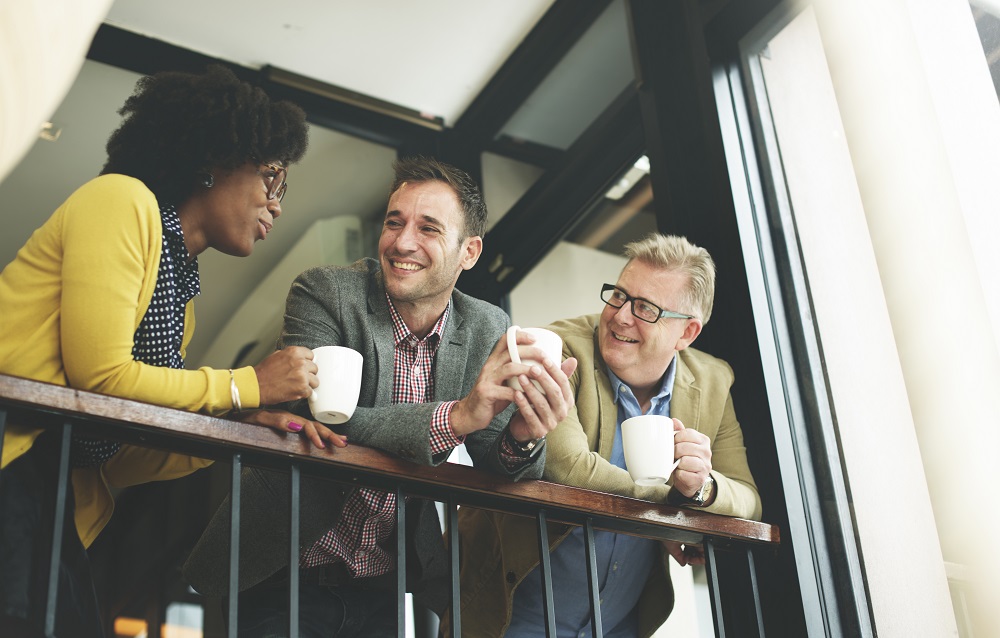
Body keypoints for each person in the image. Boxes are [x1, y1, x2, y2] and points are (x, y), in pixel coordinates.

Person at [0, 65, 344, 638]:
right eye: (271, 178)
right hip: (16, 470)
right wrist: (245, 384)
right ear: (214, 159)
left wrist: (234, 426)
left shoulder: (180, 292)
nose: (276, 205)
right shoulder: (121, 201)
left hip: (54, 494)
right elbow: (100, 379)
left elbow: (112, 447)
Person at [183, 156, 578, 637]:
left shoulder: (486, 325)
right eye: (395, 222)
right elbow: (322, 421)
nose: (402, 241)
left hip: (387, 585)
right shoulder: (326, 291)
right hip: (284, 566)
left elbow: (498, 460)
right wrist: (454, 419)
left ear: (469, 251)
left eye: (428, 228)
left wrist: (522, 435)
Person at [450, 234, 762, 638]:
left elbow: (747, 500)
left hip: (619, 625)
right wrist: (676, 505)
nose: (621, 316)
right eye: (618, 295)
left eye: (646, 308)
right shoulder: (559, 348)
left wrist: (702, 489)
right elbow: (569, 470)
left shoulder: (713, 380)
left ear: (686, 334)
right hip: (510, 613)